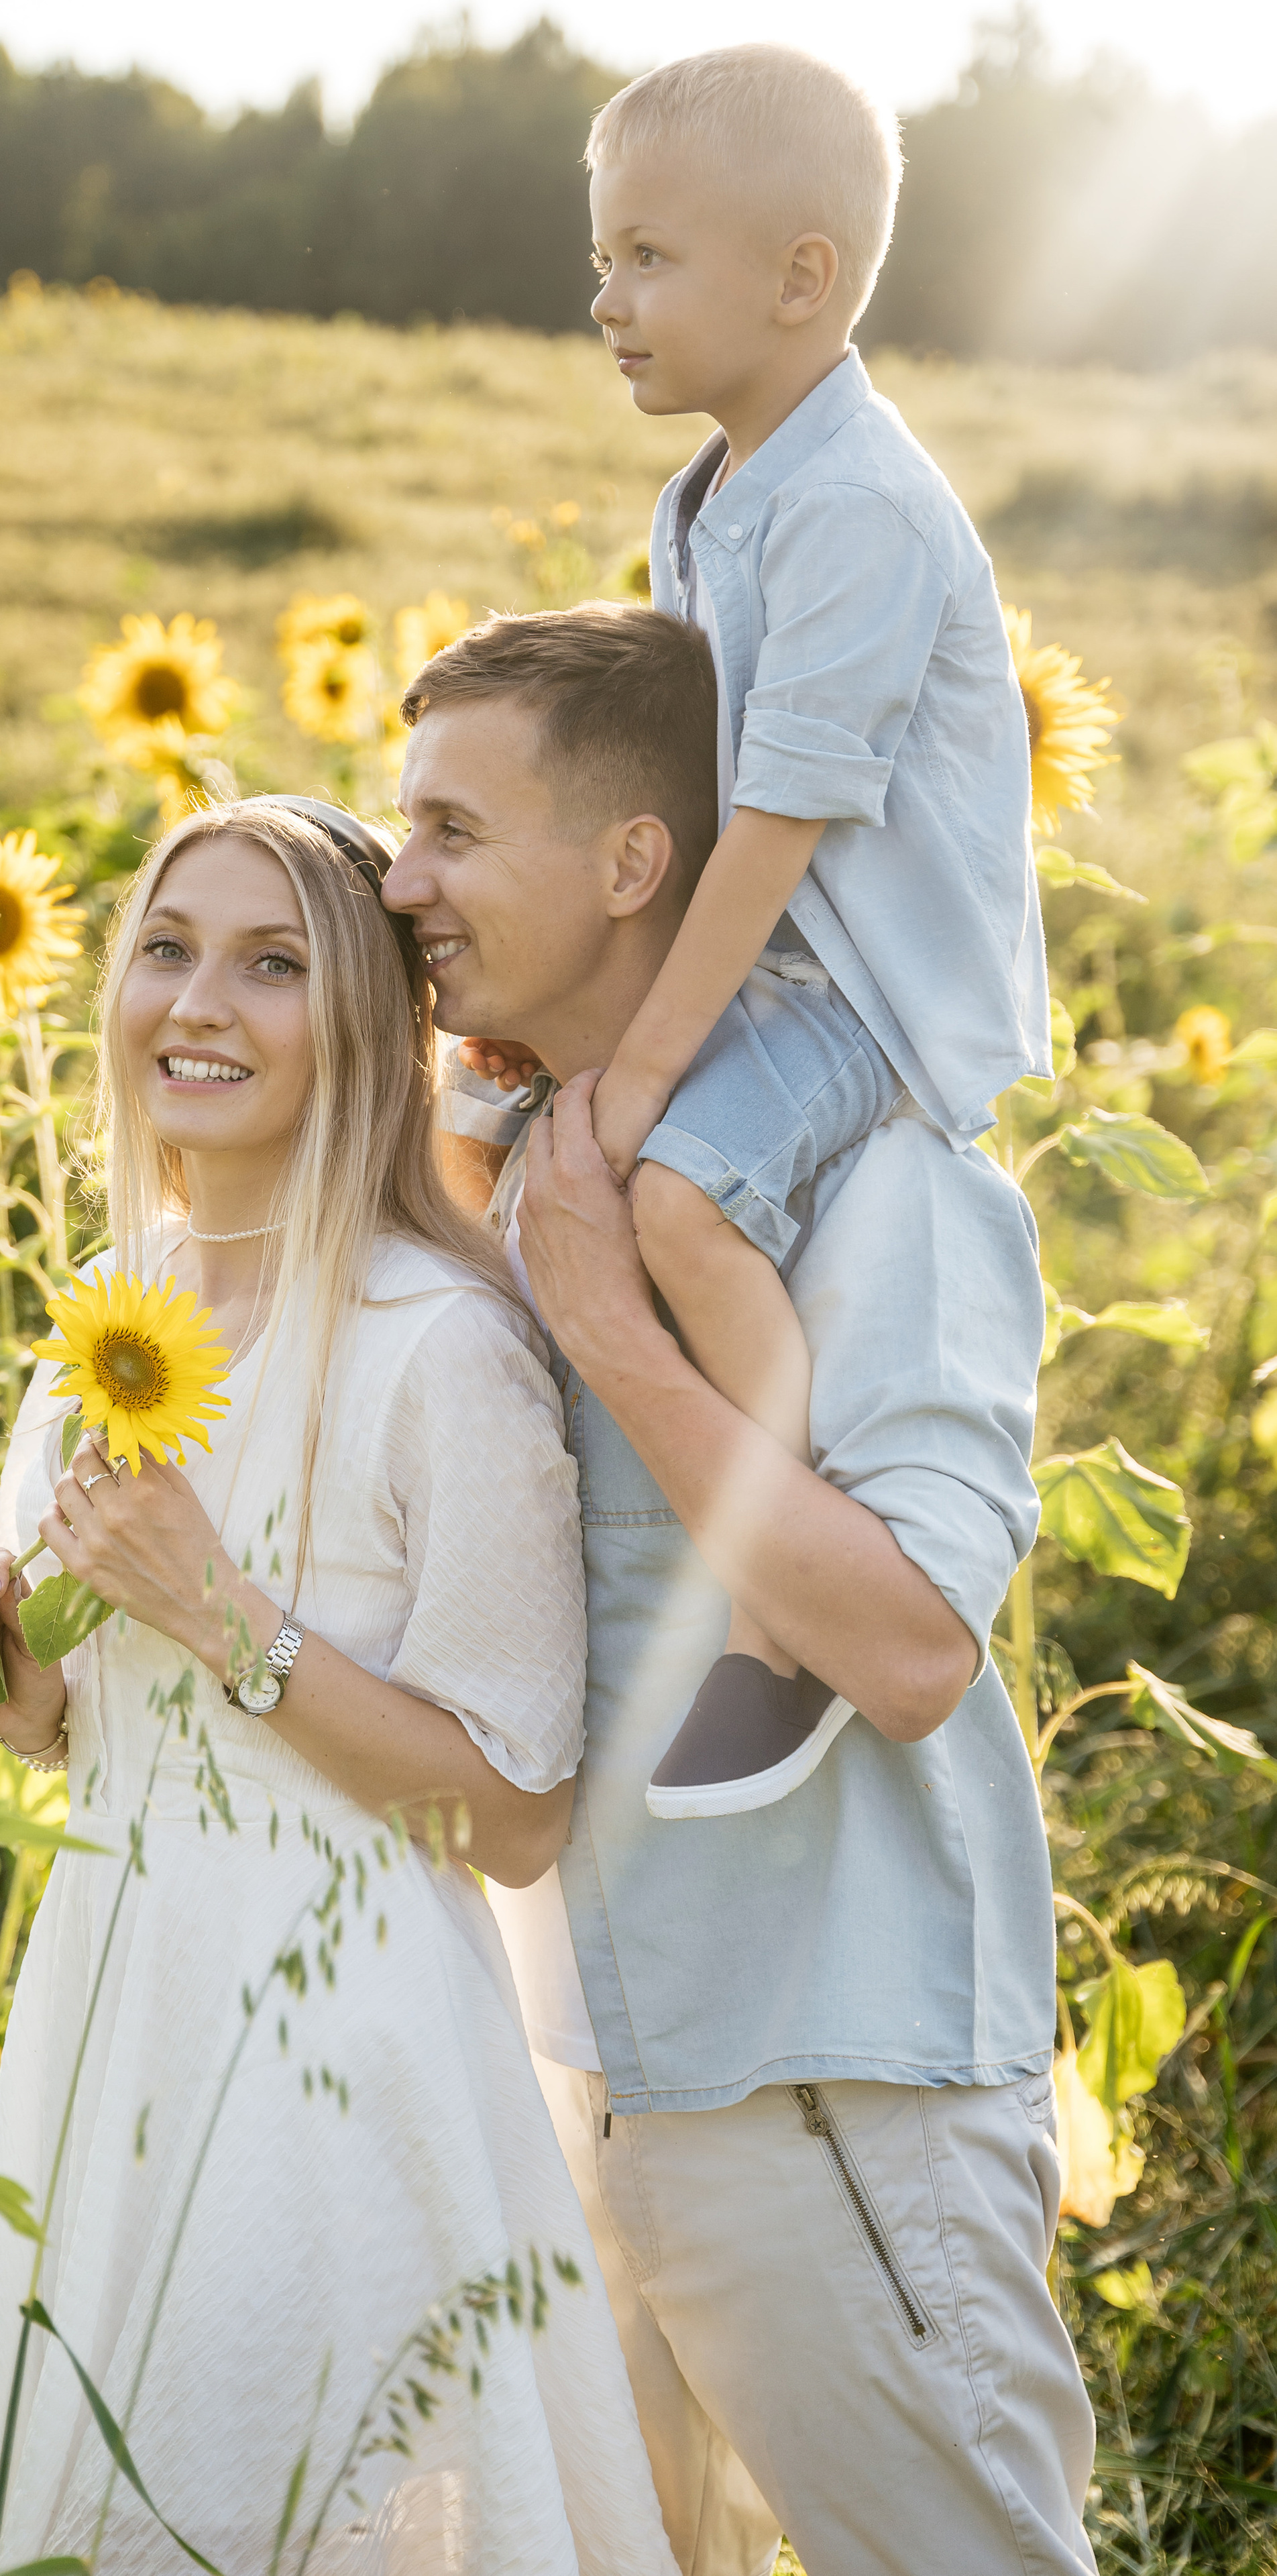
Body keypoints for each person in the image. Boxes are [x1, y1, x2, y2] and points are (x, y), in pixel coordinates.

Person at [386, 608, 1098, 2576]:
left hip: (823, 2095)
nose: (403, 876)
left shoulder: (890, 1188)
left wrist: (623, 1336)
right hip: (583, 2074)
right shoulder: (518, 1168)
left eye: (453, 827)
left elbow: (906, 1646)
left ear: (631, 864)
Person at [0, 798, 679, 2575]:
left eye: (273, 965)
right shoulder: (112, 1313)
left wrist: (221, 1613)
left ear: (363, 1029)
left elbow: (513, 1812)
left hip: (345, 2059)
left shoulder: (444, 1346)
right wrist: (9, 1679)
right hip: (118, 2017)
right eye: (170, 950)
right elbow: (81, 1738)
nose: (199, 1003)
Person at [466, 46, 1048, 1813]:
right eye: (601, 258)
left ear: (804, 278)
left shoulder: (861, 504)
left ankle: (769, 1638)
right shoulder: (721, 490)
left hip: (873, 985)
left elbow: (783, 828)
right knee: (506, 1140)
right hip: (784, 952)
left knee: (675, 1195)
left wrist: (644, 1074)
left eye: (650, 258)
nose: (604, 300)